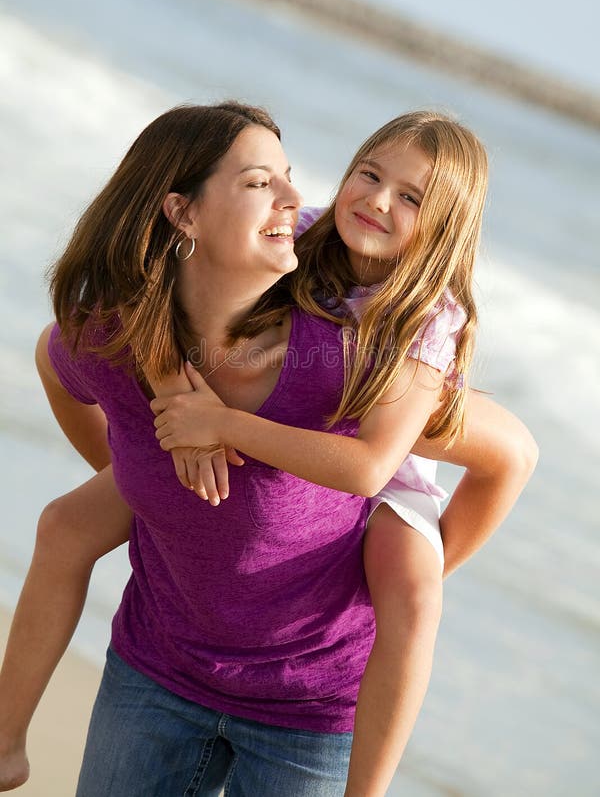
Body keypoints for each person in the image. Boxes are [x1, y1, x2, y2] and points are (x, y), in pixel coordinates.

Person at [0, 106, 537, 796]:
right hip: (180, 609)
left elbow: (391, 462)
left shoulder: (423, 321)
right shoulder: (302, 232)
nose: (377, 200)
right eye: (368, 175)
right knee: (68, 523)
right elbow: (149, 292)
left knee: (411, 587)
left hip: (383, 461)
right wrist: (154, 453)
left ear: (444, 230)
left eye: (411, 197)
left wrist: (220, 426)